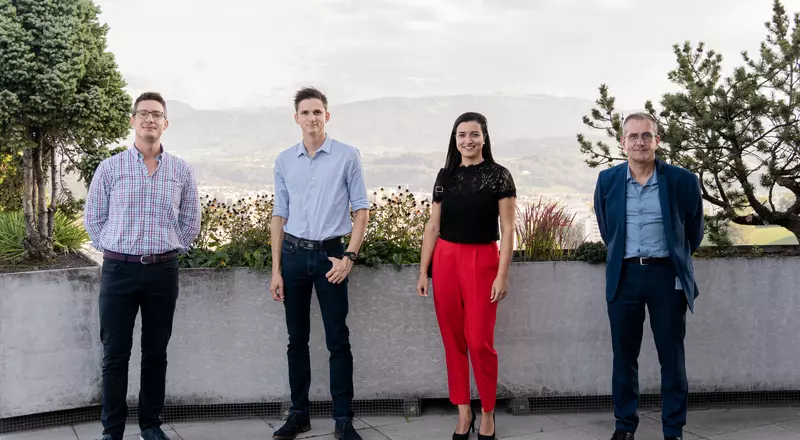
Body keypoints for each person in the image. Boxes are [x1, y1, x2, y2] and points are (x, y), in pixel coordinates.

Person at [84, 92, 201, 440]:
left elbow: (190, 221)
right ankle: (112, 430)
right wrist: (118, 249)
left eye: (157, 114)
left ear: (166, 124)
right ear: (132, 121)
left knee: (155, 353)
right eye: (143, 113)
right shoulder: (110, 168)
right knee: (115, 355)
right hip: (119, 272)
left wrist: (167, 247)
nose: (150, 119)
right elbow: (94, 219)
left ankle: (151, 425)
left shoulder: (181, 170)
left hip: (163, 272)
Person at [593, 112, 704, 440]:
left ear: (657, 140)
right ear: (623, 142)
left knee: (672, 357)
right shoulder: (608, 181)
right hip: (624, 276)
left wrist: (673, 262)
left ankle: (673, 430)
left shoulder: (681, 181)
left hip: (666, 277)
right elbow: (607, 230)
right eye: (633, 136)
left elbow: (692, 231)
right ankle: (624, 427)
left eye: (646, 135)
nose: (639, 142)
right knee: (624, 356)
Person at [269, 87, 370, 440]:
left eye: (318, 112)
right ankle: (299, 414)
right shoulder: (284, 160)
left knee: (337, 339)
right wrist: (276, 270)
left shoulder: (346, 156)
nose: (312, 118)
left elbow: (361, 209)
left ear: (327, 116)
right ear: (296, 118)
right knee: (296, 341)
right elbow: (279, 215)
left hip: (331, 256)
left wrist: (349, 258)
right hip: (294, 257)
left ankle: (343, 418)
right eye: (305, 112)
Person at [417, 112, 516, 440]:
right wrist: (424, 270)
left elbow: (508, 229)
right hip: (445, 260)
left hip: (482, 260)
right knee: (453, 340)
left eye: (474, 134)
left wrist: (502, 275)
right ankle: (464, 413)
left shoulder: (499, 176)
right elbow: (433, 226)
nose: (468, 140)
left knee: (479, 341)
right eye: (462, 135)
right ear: (455, 139)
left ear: (484, 137)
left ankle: (487, 413)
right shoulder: (445, 176)